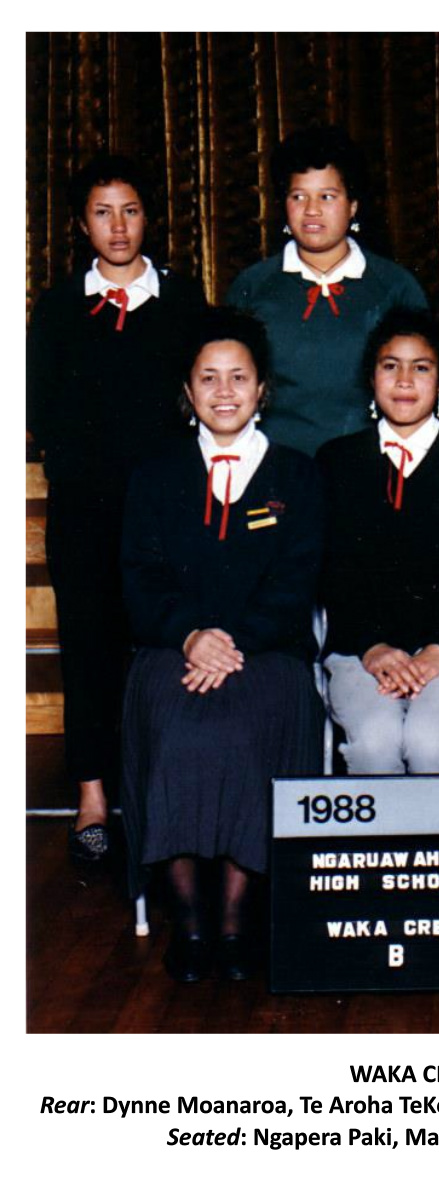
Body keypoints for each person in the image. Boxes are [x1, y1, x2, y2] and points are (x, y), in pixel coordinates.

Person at [120, 308, 324, 982]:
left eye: (239, 377)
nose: (225, 391)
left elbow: (297, 582)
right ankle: (190, 924)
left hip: (266, 653)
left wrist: (231, 643)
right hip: (171, 650)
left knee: (241, 729)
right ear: (188, 390)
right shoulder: (153, 476)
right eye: (208, 378)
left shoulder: (298, 475)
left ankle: (236, 924)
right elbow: (140, 579)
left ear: (263, 388)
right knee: (176, 729)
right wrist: (190, 636)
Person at [26, 153, 206, 865]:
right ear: (81, 225)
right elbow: (40, 409)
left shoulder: (183, 299)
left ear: (149, 217)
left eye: (130, 210)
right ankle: (93, 800)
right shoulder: (59, 307)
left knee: (163, 648)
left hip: (167, 512)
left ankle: (167, 796)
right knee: (90, 651)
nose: (119, 226)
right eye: (102, 213)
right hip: (87, 512)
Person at [317, 309, 439, 774]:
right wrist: (372, 646)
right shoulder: (338, 462)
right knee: (375, 744)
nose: (404, 381)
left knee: (427, 743)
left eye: (421, 367)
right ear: (371, 378)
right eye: (390, 366)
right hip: (360, 649)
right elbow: (332, 571)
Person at [227, 125, 429, 458]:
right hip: (273, 464)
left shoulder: (395, 286)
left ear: (353, 206)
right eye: (298, 196)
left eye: (327, 197)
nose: (312, 210)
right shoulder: (252, 286)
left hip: (370, 463)